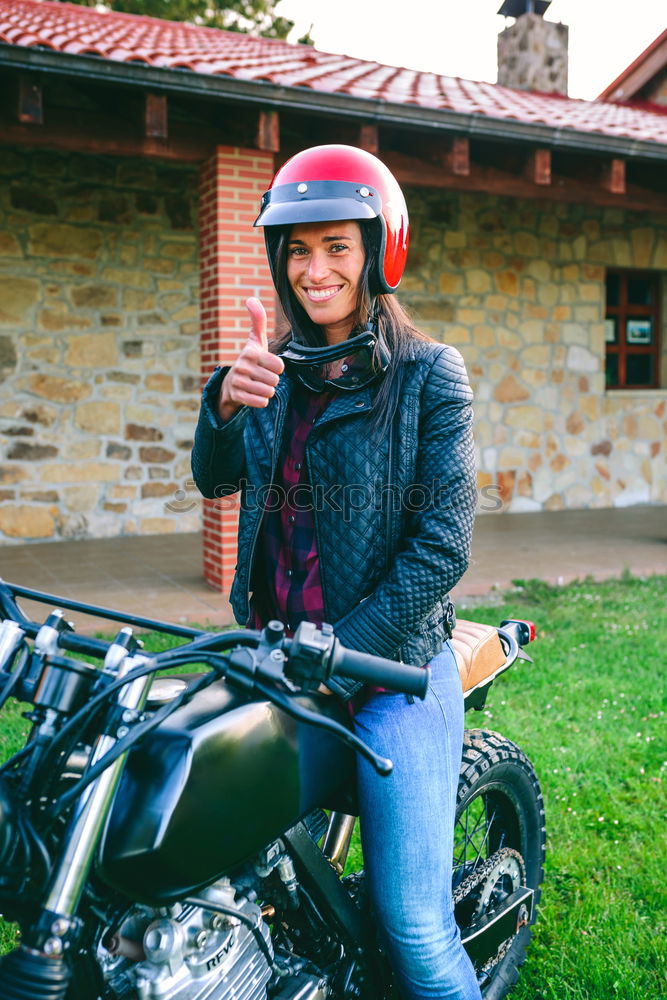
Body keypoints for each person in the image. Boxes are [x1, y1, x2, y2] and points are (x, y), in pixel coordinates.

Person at [191, 144, 481, 1000]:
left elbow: (442, 547)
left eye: (335, 247)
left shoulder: (430, 376)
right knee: (224, 871)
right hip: (279, 655)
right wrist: (221, 404)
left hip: (390, 675)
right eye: (296, 249)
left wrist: (340, 654)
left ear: (376, 251)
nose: (313, 269)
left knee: (416, 930)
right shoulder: (272, 368)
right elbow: (217, 479)